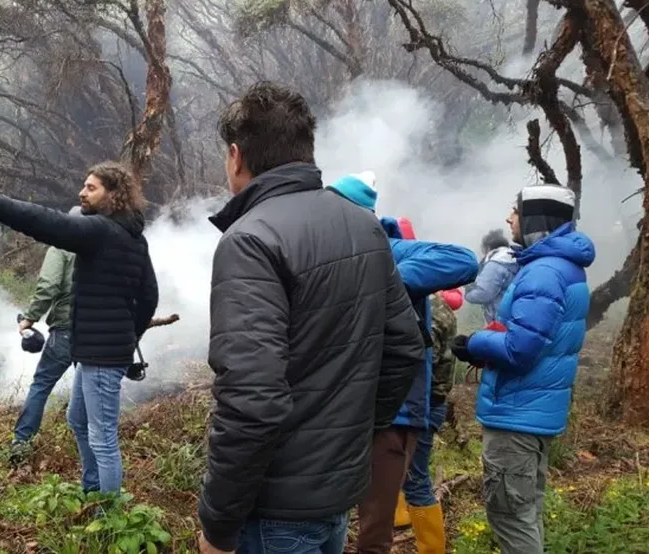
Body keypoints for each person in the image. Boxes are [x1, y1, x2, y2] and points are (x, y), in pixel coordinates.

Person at [196, 82, 426, 554]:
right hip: (336, 498)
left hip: (274, 511)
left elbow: (251, 401)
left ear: (236, 157)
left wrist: (217, 527)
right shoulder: (362, 225)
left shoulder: (250, 240)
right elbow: (404, 347)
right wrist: (350, 439)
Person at [0, 161, 158, 495]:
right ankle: (92, 491)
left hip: (101, 354)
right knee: (77, 419)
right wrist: (130, 336)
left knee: (102, 438)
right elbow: (149, 297)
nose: (82, 192)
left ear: (113, 195)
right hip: (97, 351)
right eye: (83, 186)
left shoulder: (101, 231)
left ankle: (110, 512)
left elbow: (47, 222)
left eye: (91, 188)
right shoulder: (133, 238)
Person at [329, 176, 478, 554]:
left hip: (395, 415)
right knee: (334, 513)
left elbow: (462, 261)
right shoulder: (332, 254)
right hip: (349, 408)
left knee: (375, 530)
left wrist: (372, 280)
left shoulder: (390, 250)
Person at [451, 184, 594, 554]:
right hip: (534, 410)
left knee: (511, 516)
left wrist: (475, 344)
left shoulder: (543, 273)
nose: (509, 218)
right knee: (525, 509)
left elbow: (521, 349)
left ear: (535, 218)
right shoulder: (562, 267)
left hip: (517, 414)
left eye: (515, 211)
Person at [10, 206, 81, 464]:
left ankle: (21, 442)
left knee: (41, 385)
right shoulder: (103, 245)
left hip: (64, 331)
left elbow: (49, 285)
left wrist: (30, 317)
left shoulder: (61, 248)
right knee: (89, 388)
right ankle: (90, 445)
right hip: (96, 332)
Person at [395, 288, 462, 554]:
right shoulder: (435, 303)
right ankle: (399, 517)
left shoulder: (427, 308)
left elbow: (422, 360)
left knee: (415, 476)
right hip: (427, 402)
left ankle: (432, 549)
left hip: (423, 404)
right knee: (403, 467)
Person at [465, 229, 519, 323]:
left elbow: (483, 293)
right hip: (514, 315)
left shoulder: (495, 264)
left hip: (501, 320)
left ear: (488, 248)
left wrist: (467, 294)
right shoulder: (514, 259)